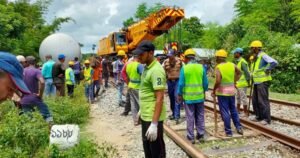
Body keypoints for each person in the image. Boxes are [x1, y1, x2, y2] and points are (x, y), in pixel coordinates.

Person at [134, 40, 166, 158]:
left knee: (157, 152)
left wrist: (154, 124)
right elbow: (147, 92)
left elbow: (159, 97)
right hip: (146, 115)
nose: (138, 57)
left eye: (141, 54)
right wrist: (141, 110)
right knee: (148, 150)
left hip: (153, 117)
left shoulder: (156, 70)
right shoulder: (146, 68)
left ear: (151, 53)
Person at [0, 52, 53, 123]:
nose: (10, 97)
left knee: (28, 119)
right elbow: (42, 82)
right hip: (34, 98)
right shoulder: (37, 71)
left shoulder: (24, 71)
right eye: (10, 89)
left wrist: (21, 97)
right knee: (47, 116)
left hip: (24, 100)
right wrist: (40, 95)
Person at [177, 49, 208, 144]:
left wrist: (179, 94)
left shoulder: (184, 68)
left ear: (186, 58)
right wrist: (204, 91)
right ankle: (201, 135)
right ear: (194, 57)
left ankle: (191, 137)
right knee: (200, 115)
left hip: (189, 98)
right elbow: (205, 83)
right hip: (199, 97)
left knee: (190, 116)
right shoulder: (201, 67)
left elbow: (181, 84)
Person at [211, 49, 243, 137]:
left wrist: (214, 90)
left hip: (222, 93)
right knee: (233, 110)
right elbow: (239, 72)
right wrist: (235, 81)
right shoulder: (232, 65)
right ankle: (239, 127)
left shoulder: (218, 67)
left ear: (218, 58)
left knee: (225, 112)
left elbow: (218, 81)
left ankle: (228, 132)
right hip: (232, 91)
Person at [249, 40, 278, 125]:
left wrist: (267, 69)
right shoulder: (256, 56)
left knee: (262, 101)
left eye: (251, 48)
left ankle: (266, 119)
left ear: (255, 48)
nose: (251, 49)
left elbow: (274, 62)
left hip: (263, 81)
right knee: (255, 100)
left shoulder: (263, 55)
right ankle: (258, 116)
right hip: (256, 82)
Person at [162, 49, 183, 123]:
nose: (170, 57)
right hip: (170, 82)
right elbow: (163, 73)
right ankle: (174, 113)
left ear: (174, 55)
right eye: (169, 56)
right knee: (171, 98)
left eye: (171, 56)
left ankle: (177, 116)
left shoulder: (179, 61)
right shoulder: (165, 62)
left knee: (176, 97)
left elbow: (183, 71)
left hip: (177, 81)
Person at [125, 55, 143, 124]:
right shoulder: (139, 65)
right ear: (138, 58)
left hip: (130, 85)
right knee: (141, 103)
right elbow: (143, 76)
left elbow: (127, 75)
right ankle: (141, 119)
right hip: (137, 86)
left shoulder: (128, 65)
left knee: (133, 104)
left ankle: (135, 120)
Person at [232, 48, 250, 116]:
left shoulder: (242, 62)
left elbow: (247, 73)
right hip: (238, 83)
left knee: (243, 98)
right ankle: (238, 110)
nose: (234, 54)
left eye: (234, 53)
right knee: (238, 98)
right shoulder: (238, 62)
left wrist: (248, 82)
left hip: (242, 83)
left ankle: (245, 113)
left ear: (238, 53)